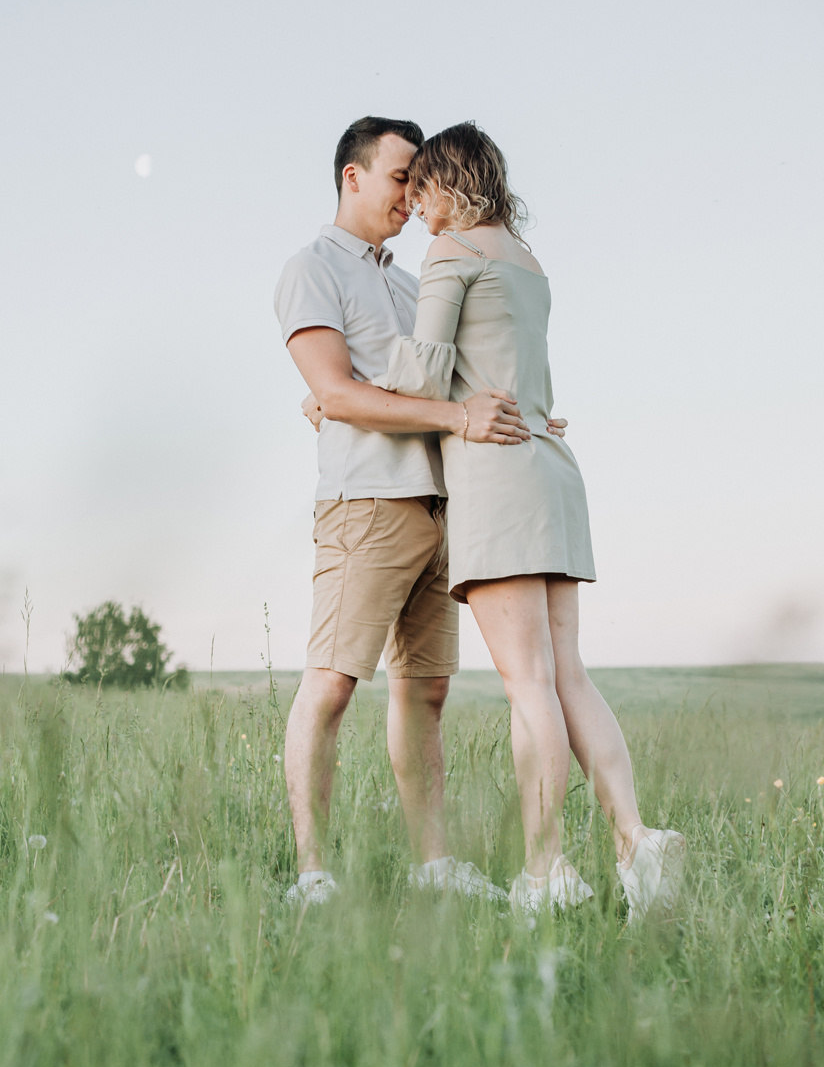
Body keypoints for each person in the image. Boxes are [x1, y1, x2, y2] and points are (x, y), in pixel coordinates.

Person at [370, 122, 685, 922]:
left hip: (498, 476)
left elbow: (425, 369)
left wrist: (344, 388)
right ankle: (638, 840)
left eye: (422, 186)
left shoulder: (453, 253)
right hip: (549, 467)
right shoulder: (526, 261)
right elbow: (523, 373)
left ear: (446, 183)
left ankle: (548, 873)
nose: (416, 203)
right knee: (569, 674)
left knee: (528, 685)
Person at [274, 116, 557, 905]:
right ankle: (312, 873)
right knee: (331, 685)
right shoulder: (311, 269)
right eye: (401, 176)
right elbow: (336, 390)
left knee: (424, 692)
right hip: (368, 504)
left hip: (448, 505)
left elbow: (444, 378)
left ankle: (434, 867)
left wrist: (523, 415)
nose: (414, 193)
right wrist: (449, 418)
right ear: (352, 177)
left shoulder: (413, 278)